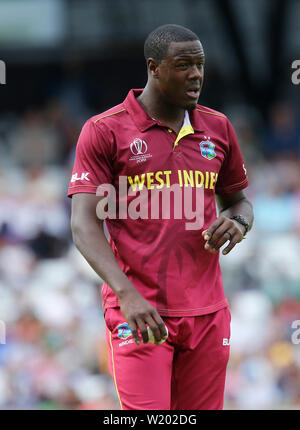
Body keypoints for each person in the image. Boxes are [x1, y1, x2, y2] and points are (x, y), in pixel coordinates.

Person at [68, 24, 254, 410]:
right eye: (183, 65)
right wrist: (126, 295)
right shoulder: (105, 130)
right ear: (153, 68)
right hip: (139, 311)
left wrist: (238, 223)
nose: (196, 75)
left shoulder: (217, 127)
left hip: (208, 312)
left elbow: (239, 201)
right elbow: (84, 224)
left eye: (200, 65)